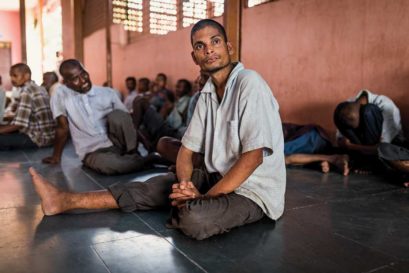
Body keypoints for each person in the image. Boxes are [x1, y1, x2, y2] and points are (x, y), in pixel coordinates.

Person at [30, 19, 286, 240]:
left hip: (252, 192)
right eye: (200, 46)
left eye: (215, 42)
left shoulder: (249, 83)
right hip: (216, 176)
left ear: (229, 47)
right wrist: (185, 185)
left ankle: (190, 206)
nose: (209, 50)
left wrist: (200, 199)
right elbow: (186, 151)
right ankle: (64, 200)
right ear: (194, 56)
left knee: (194, 219)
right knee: (156, 186)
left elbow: (253, 158)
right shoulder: (207, 94)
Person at [42, 59, 156, 175]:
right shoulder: (61, 96)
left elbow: (127, 121)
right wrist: (56, 157)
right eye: (75, 79)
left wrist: (144, 141)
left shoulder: (108, 93)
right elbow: (62, 128)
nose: (83, 80)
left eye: (83, 74)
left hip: (118, 144)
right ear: (65, 82)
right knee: (110, 165)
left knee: (118, 115)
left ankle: (133, 155)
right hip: (93, 151)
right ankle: (151, 159)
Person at [334, 89, 405, 172]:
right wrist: (342, 141)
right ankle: (362, 161)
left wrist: (350, 146)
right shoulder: (349, 105)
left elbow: (382, 148)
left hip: (390, 148)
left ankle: (371, 163)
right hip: (363, 150)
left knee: (369, 111)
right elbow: (340, 140)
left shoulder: (386, 105)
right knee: (341, 114)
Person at [0, 63, 55, 150]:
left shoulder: (27, 91)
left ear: (26, 76)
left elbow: (19, 124)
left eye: (15, 75)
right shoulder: (38, 87)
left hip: (38, 138)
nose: (12, 79)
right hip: (49, 136)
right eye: (11, 76)